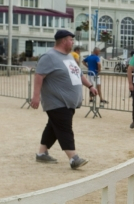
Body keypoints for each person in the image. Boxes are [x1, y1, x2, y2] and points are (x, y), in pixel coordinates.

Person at [30, 29, 96, 170]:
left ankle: (41, 154)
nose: (73, 42)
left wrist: (90, 86)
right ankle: (74, 158)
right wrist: (36, 96)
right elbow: (39, 76)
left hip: (69, 102)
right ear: (64, 40)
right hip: (56, 101)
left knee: (53, 127)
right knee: (64, 128)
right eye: (71, 40)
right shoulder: (49, 56)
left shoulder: (69, 56)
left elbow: (78, 73)